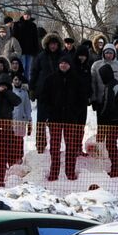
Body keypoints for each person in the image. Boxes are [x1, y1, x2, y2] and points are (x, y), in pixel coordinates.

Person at [40, 53, 91, 181]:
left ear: (70, 65)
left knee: (71, 146)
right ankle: (54, 172)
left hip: (70, 119)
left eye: (66, 63)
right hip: (55, 119)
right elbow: (44, 98)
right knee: (55, 147)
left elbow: (82, 99)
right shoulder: (50, 79)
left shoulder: (76, 80)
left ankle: (70, 172)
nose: (63, 65)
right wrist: (49, 113)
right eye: (61, 63)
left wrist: (75, 112)